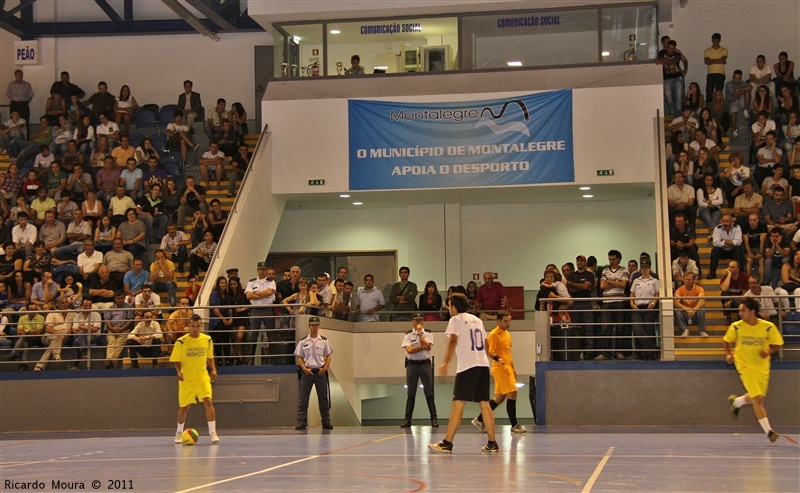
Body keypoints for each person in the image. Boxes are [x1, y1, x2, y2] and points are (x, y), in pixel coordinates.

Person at [429, 293, 498, 454]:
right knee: (484, 404)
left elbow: (453, 340)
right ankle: (492, 443)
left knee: (457, 405)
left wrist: (446, 361)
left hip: (468, 367)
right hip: (482, 365)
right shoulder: (478, 320)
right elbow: (486, 343)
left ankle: (447, 442)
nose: (448, 309)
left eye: (449, 305)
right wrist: (491, 357)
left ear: (454, 306)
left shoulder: (456, 320)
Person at [724, 298, 788, 444]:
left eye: (743, 310)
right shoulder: (736, 326)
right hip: (743, 365)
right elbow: (726, 340)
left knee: (756, 397)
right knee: (757, 399)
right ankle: (769, 432)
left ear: (752, 312)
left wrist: (768, 352)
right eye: (739, 310)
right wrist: (728, 354)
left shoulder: (768, 327)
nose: (740, 313)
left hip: (762, 367)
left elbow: (777, 344)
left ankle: (737, 401)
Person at [470, 310, 526, 434]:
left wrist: (513, 368)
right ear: (498, 321)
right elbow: (490, 351)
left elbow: (508, 353)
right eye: (505, 321)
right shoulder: (494, 334)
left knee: (499, 398)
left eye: (509, 320)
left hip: (508, 368)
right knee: (512, 394)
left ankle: (479, 420)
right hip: (500, 368)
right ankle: (514, 424)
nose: (508, 323)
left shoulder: (507, 334)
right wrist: (498, 358)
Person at [171, 314, 220, 444]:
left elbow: (210, 357)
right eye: (193, 326)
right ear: (188, 326)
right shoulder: (181, 342)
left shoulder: (207, 340)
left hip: (202, 376)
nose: (195, 329)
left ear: (200, 326)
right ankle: (179, 432)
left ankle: (212, 432)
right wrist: (179, 372)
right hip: (187, 379)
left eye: (198, 326)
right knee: (184, 408)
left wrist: (213, 369)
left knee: (208, 402)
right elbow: (176, 360)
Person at [294, 316, 334, 430]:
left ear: (319, 326)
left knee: (323, 399)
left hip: (320, 372)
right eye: (312, 325)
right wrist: (304, 368)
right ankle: (301, 421)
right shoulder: (303, 342)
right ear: (309, 326)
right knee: (303, 399)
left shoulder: (324, 341)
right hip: (307, 372)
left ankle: (326, 421)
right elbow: (300, 357)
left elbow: (328, 356)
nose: (314, 327)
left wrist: (325, 368)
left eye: (316, 325)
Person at [400, 313, 438, 428]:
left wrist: (420, 334)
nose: (418, 322)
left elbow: (428, 345)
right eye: (416, 320)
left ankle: (434, 418)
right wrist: (422, 347)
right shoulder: (408, 334)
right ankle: (408, 419)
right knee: (411, 392)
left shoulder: (428, 333)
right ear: (412, 321)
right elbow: (410, 350)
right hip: (412, 364)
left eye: (421, 320)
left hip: (424, 364)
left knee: (429, 392)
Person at [628, 258, 660, 360]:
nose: (644, 270)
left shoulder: (654, 281)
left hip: (649, 306)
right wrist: (632, 304)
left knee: (649, 329)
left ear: (649, 269)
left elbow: (657, 294)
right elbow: (632, 293)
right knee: (637, 329)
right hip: (638, 306)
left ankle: (649, 354)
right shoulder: (636, 280)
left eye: (646, 268)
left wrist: (654, 303)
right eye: (642, 268)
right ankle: (654, 349)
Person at [674, 272, 707, 337]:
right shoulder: (679, 290)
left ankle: (702, 330)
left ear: (694, 280)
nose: (687, 281)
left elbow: (702, 300)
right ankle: (684, 330)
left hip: (695, 312)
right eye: (685, 279)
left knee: (702, 308)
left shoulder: (699, 289)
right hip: (685, 313)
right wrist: (686, 309)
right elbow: (675, 302)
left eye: (689, 279)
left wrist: (694, 309)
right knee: (676, 309)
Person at [703, 33, 727, 105]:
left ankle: (719, 108)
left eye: (716, 41)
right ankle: (708, 108)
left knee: (719, 92)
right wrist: (718, 60)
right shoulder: (707, 50)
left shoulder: (724, 50)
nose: (715, 43)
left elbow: (722, 60)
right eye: (713, 41)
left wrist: (712, 60)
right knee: (709, 92)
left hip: (720, 73)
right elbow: (707, 62)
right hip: (710, 73)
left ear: (719, 41)